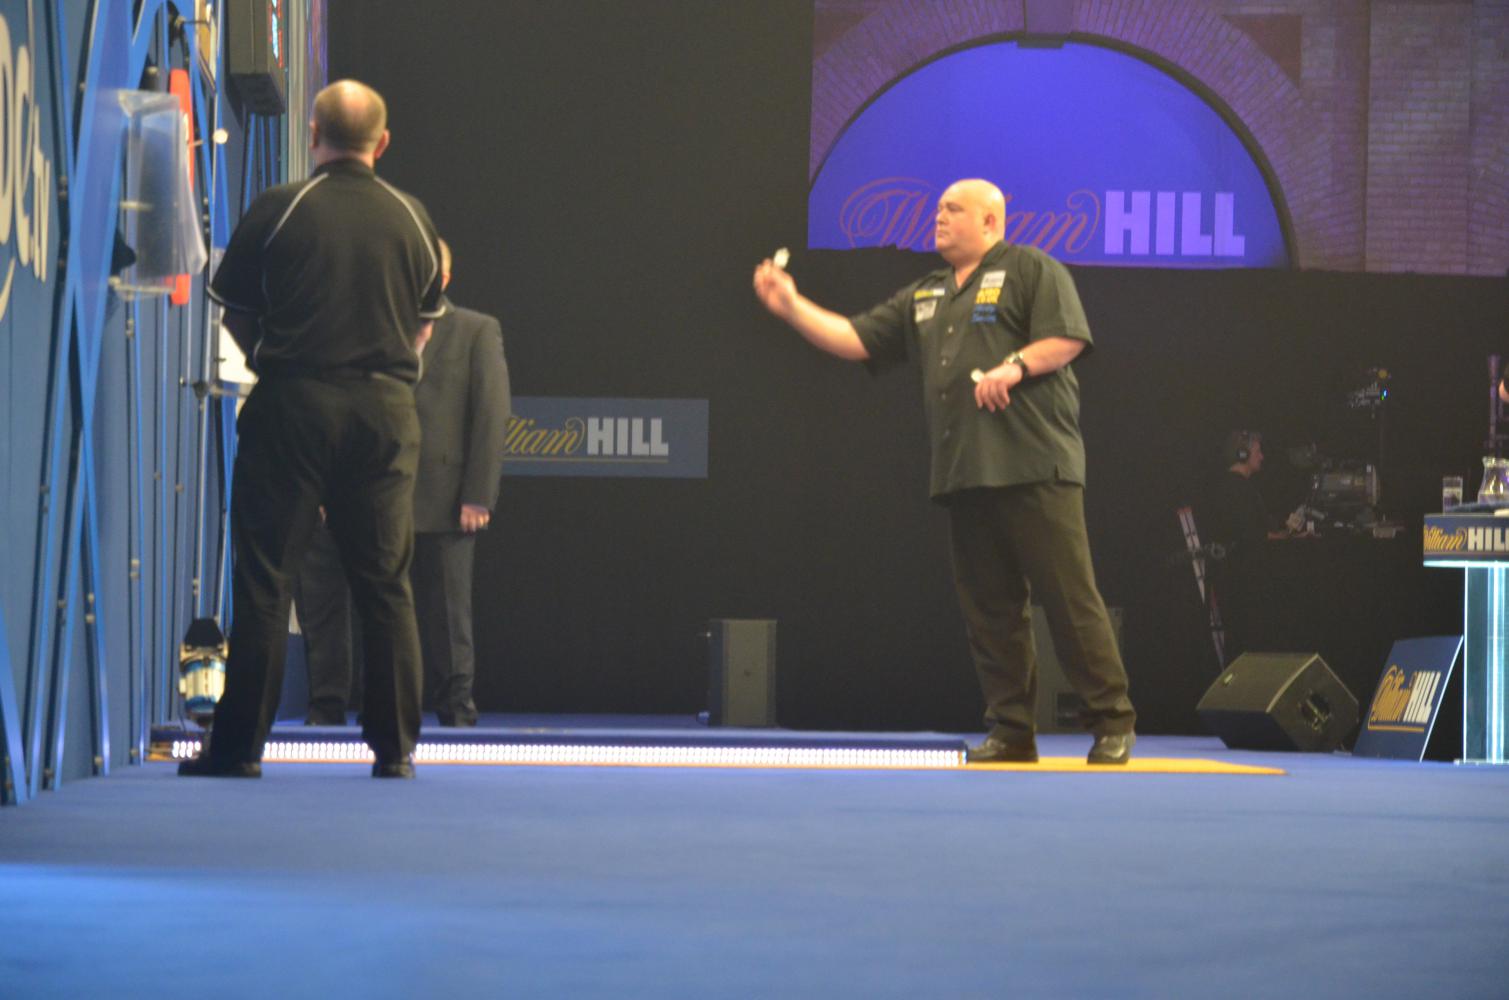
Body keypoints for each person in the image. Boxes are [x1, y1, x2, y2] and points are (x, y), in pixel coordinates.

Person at [752, 178, 1136, 765]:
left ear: (990, 222)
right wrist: (790, 306)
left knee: (1069, 600)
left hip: (1035, 466)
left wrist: (1013, 365)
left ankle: (1111, 722)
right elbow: (855, 339)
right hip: (964, 472)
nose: (939, 217)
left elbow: (1066, 339)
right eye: (938, 209)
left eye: (953, 210)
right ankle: (1011, 730)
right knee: (990, 613)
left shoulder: (1032, 268)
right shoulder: (926, 292)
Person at [179, 79, 444, 779]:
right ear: (382, 143)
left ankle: (238, 750)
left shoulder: (280, 207)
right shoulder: (412, 218)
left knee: (267, 582)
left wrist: (279, 363)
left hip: (292, 405)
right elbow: (424, 324)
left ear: (313, 134)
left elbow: (235, 312)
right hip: (384, 413)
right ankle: (395, 753)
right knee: (385, 585)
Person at [411, 241, 511, 727]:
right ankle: (391, 706)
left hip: (449, 498)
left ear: (446, 277)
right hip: (383, 494)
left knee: (450, 612)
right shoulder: (379, 326)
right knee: (387, 611)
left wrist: (478, 495)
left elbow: (492, 415)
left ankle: (456, 709)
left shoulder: (476, 329)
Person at [1205, 430, 1289, 661]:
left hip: (1239, 580)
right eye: (1258, 451)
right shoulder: (1236, 490)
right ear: (1242, 454)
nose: (1262, 457)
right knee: (1245, 643)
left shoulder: (1236, 487)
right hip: (1242, 582)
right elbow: (1252, 535)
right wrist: (1286, 538)